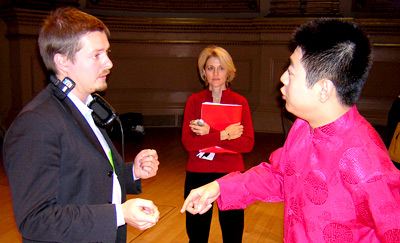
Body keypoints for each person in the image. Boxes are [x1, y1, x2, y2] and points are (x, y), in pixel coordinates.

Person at [181, 19, 400, 242]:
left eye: (292, 71)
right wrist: (219, 187)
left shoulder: (366, 162)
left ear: (323, 89)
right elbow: (279, 175)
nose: (283, 78)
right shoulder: (303, 127)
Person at [3, 7, 160, 242]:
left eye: (107, 52)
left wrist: (131, 172)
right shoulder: (36, 124)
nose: (109, 63)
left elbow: (80, 177)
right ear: (63, 61)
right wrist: (119, 214)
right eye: (97, 55)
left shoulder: (85, 106)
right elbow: (35, 219)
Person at [181, 45, 254, 242]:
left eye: (220, 68)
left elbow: (247, 144)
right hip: (198, 173)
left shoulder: (240, 102)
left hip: (231, 174)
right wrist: (224, 135)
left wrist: (208, 135)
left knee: (232, 234)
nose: (215, 73)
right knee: (197, 235)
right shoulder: (194, 102)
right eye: (210, 68)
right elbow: (189, 143)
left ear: (229, 72)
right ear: (203, 72)